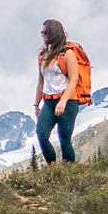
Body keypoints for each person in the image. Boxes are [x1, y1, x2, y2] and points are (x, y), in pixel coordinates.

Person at [35, 19, 92, 164]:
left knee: (64, 137)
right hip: (48, 101)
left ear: (53, 33)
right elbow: (41, 81)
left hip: (68, 101)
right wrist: (36, 104)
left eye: (45, 32)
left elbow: (73, 80)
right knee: (42, 134)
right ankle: (52, 168)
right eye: (41, 32)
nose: (42, 34)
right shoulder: (43, 55)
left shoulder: (68, 53)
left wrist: (63, 101)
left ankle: (69, 171)